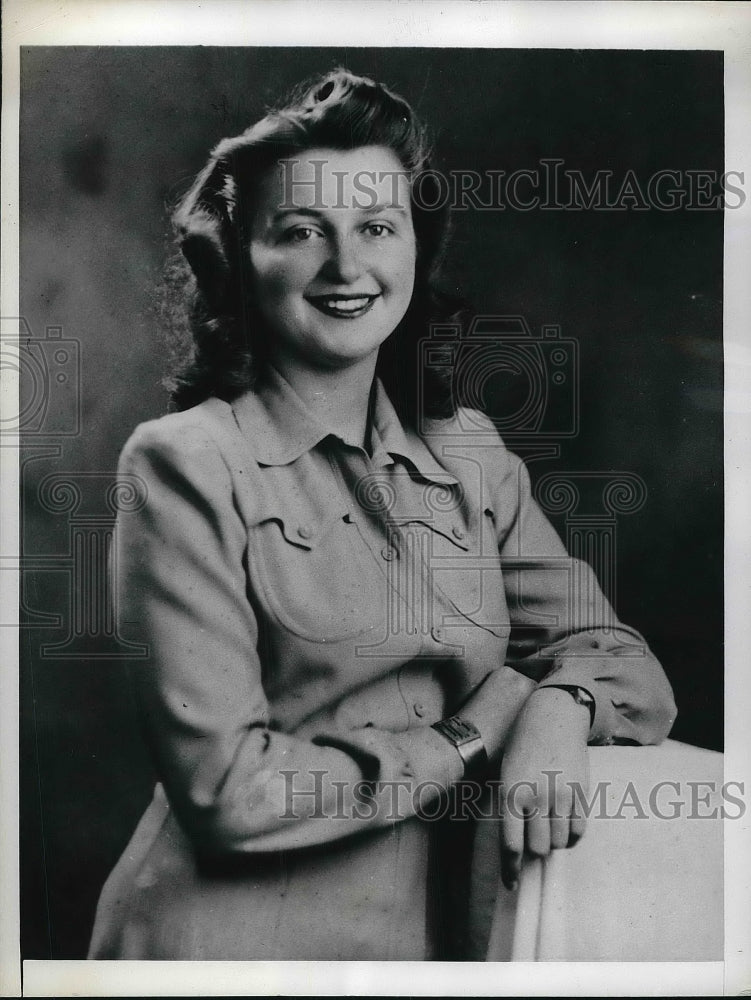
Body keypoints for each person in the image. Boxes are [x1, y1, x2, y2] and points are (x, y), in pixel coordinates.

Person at [88, 68, 676, 962]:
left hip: (424, 948)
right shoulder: (184, 463)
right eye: (300, 232)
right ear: (240, 256)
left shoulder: (467, 451)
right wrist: (474, 731)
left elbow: (624, 664)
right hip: (220, 949)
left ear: (413, 247)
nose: (347, 267)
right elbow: (229, 795)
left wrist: (558, 703)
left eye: (375, 227)